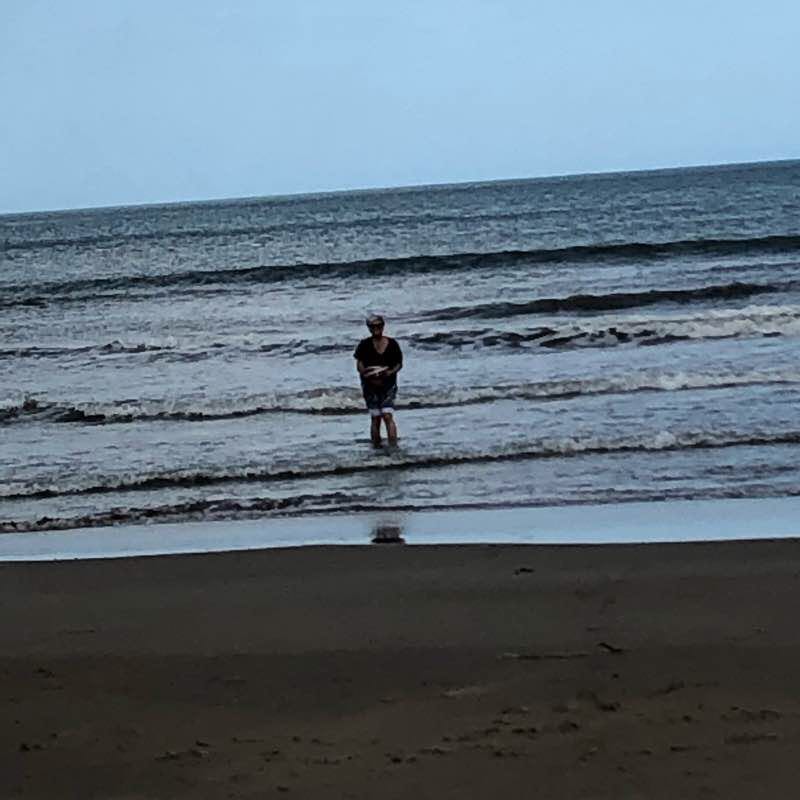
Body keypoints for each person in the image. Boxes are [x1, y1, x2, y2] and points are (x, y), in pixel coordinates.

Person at [354, 314, 403, 445]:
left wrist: (389, 372)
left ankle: (393, 448)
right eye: (373, 326)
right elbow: (359, 363)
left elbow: (399, 364)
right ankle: (376, 448)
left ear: (383, 326)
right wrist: (366, 374)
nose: (376, 328)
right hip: (369, 384)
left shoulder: (392, 344)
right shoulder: (364, 345)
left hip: (388, 384)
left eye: (378, 326)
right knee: (375, 417)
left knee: (387, 415)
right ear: (369, 328)